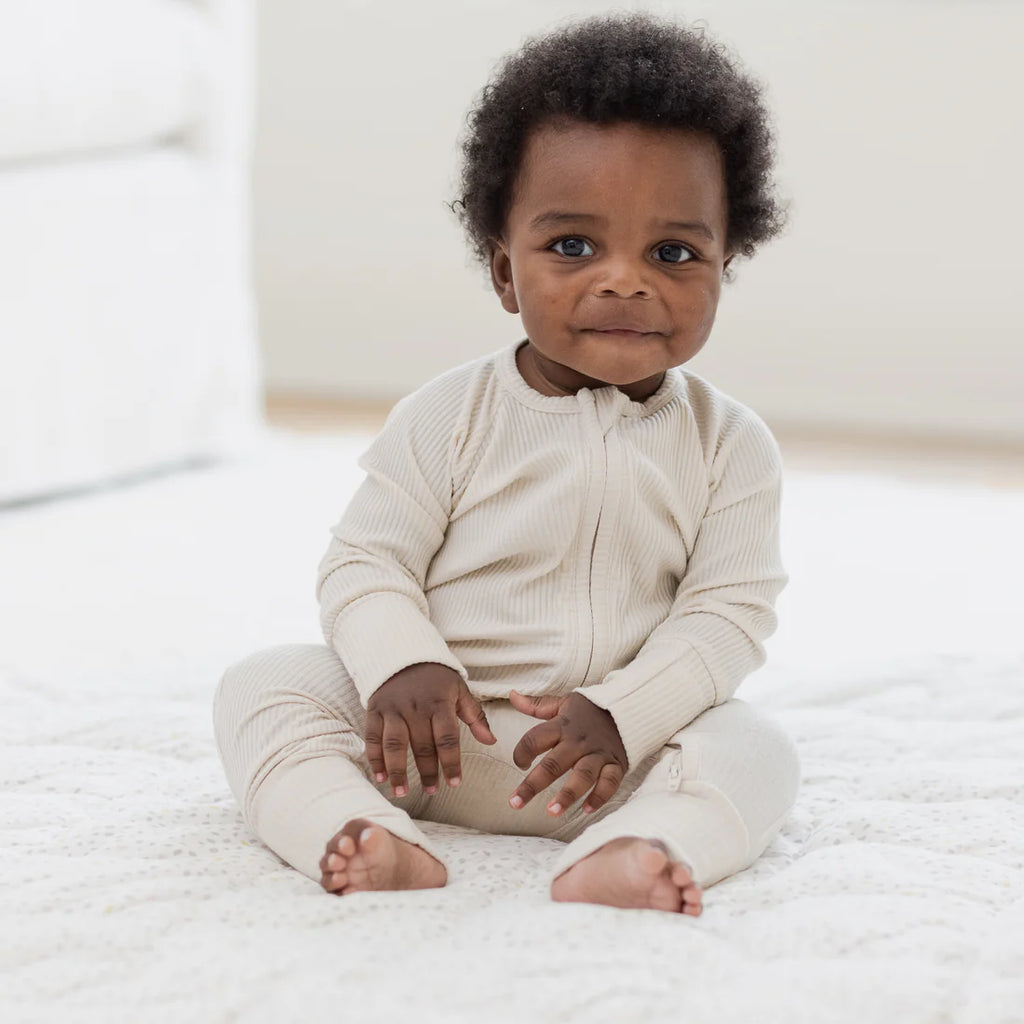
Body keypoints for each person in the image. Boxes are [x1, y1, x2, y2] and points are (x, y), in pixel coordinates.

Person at [213, 12, 801, 916]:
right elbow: (367, 563)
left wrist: (625, 712)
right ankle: (354, 827)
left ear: (727, 265)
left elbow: (728, 618)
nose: (623, 281)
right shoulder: (452, 415)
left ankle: (642, 849)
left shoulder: (730, 445)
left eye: (674, 252)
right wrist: (402, 668)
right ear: (502, 272)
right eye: (573, 246)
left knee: (758, 748)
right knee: (267, 684)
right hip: (430, 741)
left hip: (608, 758)